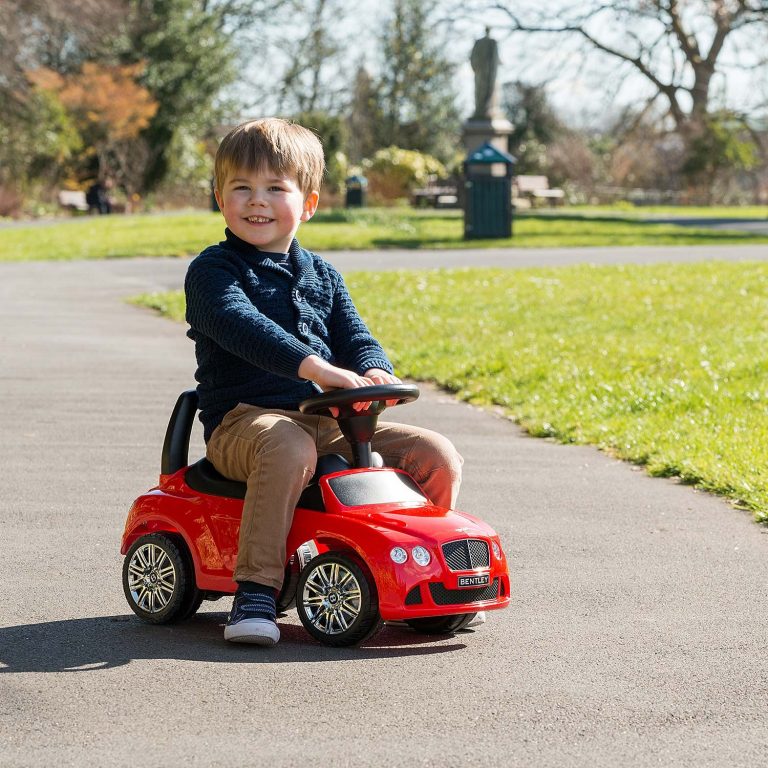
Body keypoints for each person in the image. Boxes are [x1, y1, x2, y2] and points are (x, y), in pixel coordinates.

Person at [185, 118, 463, 646]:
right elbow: (245, 329)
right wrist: (314, 367)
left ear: (308, 204)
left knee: (434, 453)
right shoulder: (213, 271)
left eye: (274, 188)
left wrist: (374, 367)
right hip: (246, 424)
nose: (256, 201)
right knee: (289, 446)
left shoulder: (324, 275)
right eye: (241, 188)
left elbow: (355, 336)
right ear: (219, 198)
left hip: (329, 423)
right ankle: (257, 590)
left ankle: (422, 570)